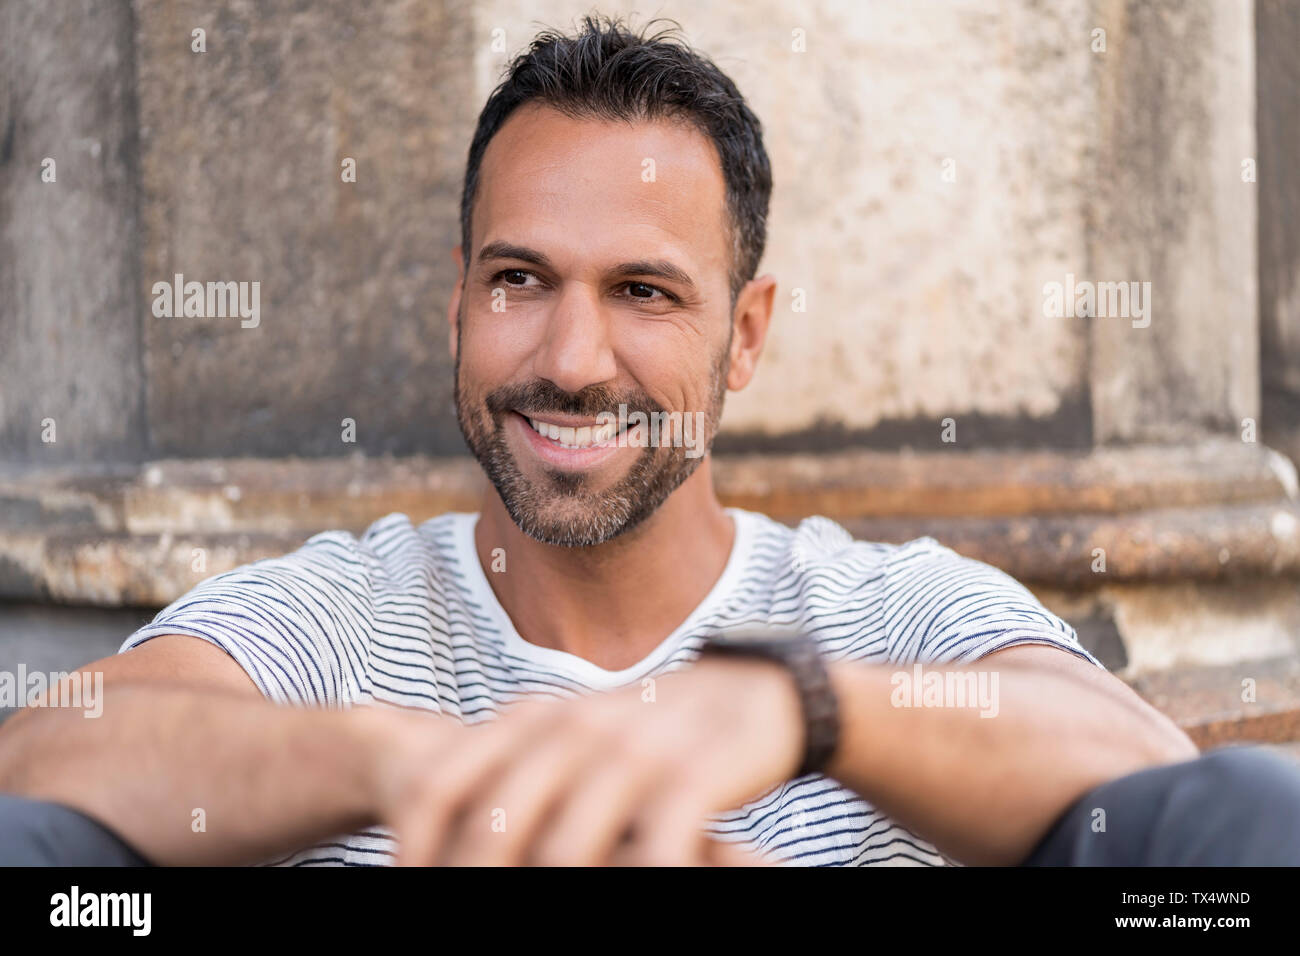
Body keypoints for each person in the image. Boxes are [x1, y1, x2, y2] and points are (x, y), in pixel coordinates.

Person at [3, 14, 1292, 868]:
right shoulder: (337, 622)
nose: (570, 362)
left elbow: (1169, 792)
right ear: (458, 302)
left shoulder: (890, 612)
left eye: (643, 292)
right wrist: (406, 764)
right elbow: (45, 757)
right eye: (521, 281)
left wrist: (799, 708)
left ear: (743, 337)